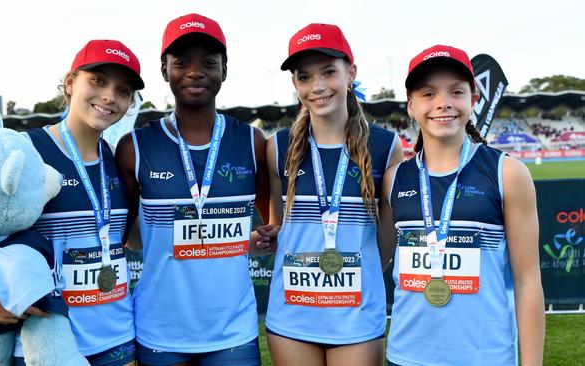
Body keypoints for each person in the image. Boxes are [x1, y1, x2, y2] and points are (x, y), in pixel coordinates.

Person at [0, 39, 145, 366]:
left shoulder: (117, 156)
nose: (109, 96)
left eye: (123, 91)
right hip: (45, 348)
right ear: (69, 82)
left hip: (117, 339)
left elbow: (125, 241)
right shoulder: (26, 149)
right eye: (98, 81)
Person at [115, 13, 270, 366]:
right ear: (164, 69)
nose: (194, 72)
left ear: (224, 69)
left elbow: (272, 223)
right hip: (159, 331)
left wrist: (258, 239)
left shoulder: (252, 141)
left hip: (233, 332)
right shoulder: (134, 147)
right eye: (181, 62)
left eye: (208, 63)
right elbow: (124, 235)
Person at [382, 45, 545, 366]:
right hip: (405, 356)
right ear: (411, 105)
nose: (442, 103)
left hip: (485, 357)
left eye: (455, 92)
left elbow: (528, 280)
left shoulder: (508, 174)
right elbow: (380, 260)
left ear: (473, 100)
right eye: (428, 94)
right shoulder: (394, 178)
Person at [260, 23, 402, 366]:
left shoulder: (384, 146)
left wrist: (355, 271)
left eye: (329, 72)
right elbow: (280, 226)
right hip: (291, 315)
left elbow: (386, 239)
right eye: (305, 77)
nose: (318, 87)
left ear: (350, 73)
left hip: (356, 317)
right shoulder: (277, 147)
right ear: (295, 84)